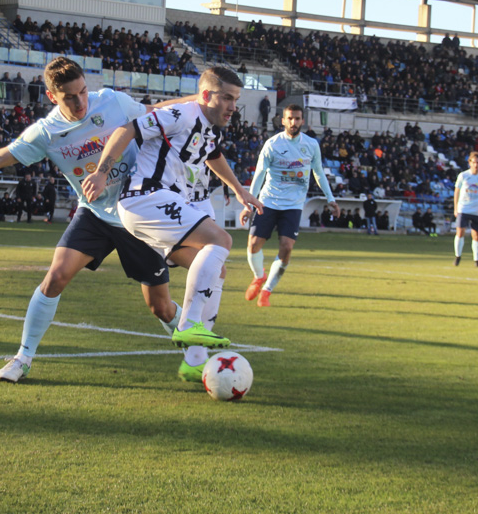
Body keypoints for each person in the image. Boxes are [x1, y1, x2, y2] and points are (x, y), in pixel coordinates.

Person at [0, 56, 196, 383]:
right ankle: (23, 357)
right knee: (55, 277)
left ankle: (196, 351)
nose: (80, 101)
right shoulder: (45, 133)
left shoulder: (114, 102)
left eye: (83, 91)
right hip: (95, 214)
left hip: (138, 214)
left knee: (161, 308)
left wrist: (200, 98)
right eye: (70, 96)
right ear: (52, 96)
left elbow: (158, 109)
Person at [83, 66, 264, 379]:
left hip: (164, 206)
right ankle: (189, 324)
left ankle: (194, 361)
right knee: (221, 240)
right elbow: (126, 130)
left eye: (236, 99)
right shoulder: (181, 115)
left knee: (216, 267)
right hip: (145, 199)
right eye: (227, 98)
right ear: (207, 95)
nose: (233, 106)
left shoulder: (212, 127)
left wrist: (238, 189)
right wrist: (101, 172)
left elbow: (213, 153)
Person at [241, 104, 338, 307]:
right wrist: (249, 203)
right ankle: (259, 276)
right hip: (268, 201)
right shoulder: (272, 144)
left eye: (297, 119)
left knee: (286, 248)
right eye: (290, 119)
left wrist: (330, 199)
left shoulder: (311, 145)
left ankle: (267, 290)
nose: (294, 122)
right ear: (283, 120)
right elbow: (259, 174)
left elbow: (318, 173)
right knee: (253, 244)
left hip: (293, 205)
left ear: (302, 121)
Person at [453, 151, 478, 267]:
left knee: (477, 235)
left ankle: (477, 260)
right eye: (473, 162)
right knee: (460, 232)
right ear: (469, 163)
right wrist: (456, 207)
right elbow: (456, 192)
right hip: (463, 208)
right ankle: (458, 257)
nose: (475, 165)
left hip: (477, 210)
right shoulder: (463, 176)